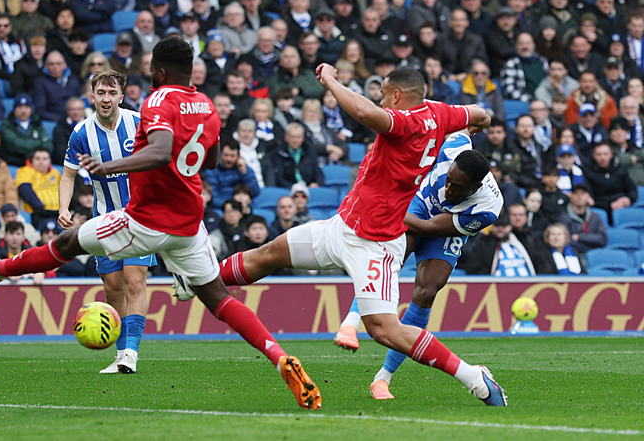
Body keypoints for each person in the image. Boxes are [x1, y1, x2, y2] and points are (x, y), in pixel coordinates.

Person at [0, 37, 323, 410]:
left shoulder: (156, 102)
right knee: (219, 299)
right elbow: (210, 161)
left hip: (145, 220)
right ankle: (280, 358)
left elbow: (160, 151)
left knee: (69, 243)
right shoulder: (206, 104)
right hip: (189, 224)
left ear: (159, 72)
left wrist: (109, 167)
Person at [210, 64, 504, 405]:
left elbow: (364, 112)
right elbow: (480, 113)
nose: (381, 101)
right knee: (269, 254)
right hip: (342, 226)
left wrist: (331, 81)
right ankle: (200, 279)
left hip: (375, 243)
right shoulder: (442, 114)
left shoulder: (404, 123)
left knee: (384, 330)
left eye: (384, 95)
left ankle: (473, 377)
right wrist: (480, 122)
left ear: (397, 95)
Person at [331, 133, 503, 401]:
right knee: (391, 259)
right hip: (419, 203)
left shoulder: (487, 208)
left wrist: (389, 211)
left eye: (457, 187)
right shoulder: (455, 146)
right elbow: (456, 123)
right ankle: (350, 324)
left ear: (475, 186)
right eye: (448, 180)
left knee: (427, 291)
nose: (448, 189)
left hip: (442, 225)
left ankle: (383, 378)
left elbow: (428, 228)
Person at [57, 69, 157, 372]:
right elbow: (68, 175)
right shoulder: (81, 133)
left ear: (121, 97)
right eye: (101, 93)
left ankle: (131, 354)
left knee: (134, 281)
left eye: (112, 93)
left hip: (139, 216)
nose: (106, 98)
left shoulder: (138, 123)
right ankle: (121, 352)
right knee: (113, 287)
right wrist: (63, 208)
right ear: (92, 96)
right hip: (105, 220)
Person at [0, 94, 53, 167]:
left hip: (36, 164)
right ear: (14, 110)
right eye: (20, 107)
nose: (23, 111)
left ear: (31, 109)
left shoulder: (37, 123)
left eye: (26, 107)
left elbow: (48, 145)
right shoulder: (6, 124)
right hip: (14, 163)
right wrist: (38, 143)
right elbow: (17, 145)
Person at [204, 139, 261, 208]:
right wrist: (231, 205)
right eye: (226, 155)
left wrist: (244, 173)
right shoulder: (212, 170)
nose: (228, 159)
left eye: (232, 156)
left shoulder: (246, 170)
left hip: (243, 206)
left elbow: (255, 192)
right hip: (221, 207)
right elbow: (212, 195)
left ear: (238, 156)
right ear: (221, 154)